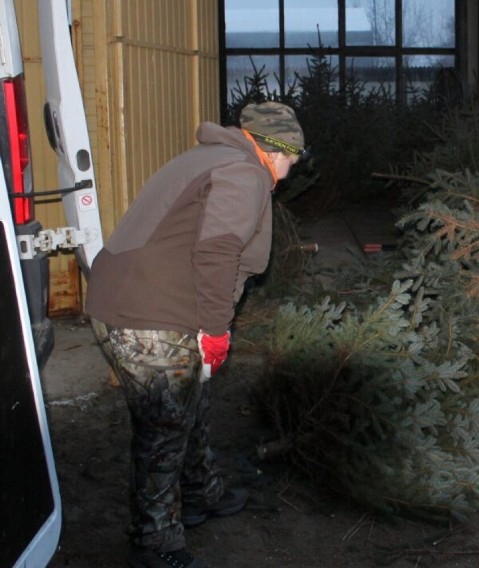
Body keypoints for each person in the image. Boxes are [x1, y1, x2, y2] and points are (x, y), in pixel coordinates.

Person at [86, 102, 306, 567]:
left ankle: (199, 491)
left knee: (192, 397)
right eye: (293, 158)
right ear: (276, 149)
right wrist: (215, 331)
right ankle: (154, 541)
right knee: (163, 427)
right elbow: (217, 250)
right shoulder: (243, 174)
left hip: (145, 302)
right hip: (145, 314)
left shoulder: (212, 158)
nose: (291, 171)